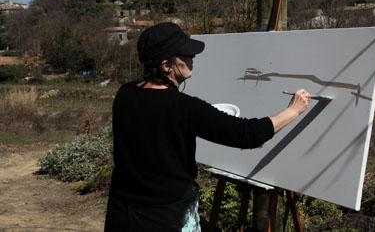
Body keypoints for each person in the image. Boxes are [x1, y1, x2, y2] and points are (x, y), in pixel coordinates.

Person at [104, 22, 310, 232]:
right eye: (185, 55)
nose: (192, 58)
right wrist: (293, 110)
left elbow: (157, 127)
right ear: (166, 65)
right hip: (166, 219)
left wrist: (202, 118)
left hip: (122, 215)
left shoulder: (125, 94)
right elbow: (248, 134)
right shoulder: (184, 108)